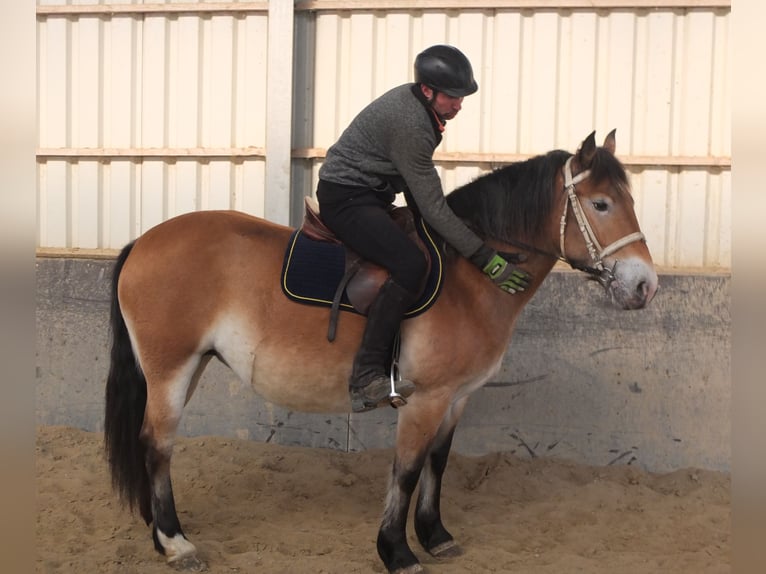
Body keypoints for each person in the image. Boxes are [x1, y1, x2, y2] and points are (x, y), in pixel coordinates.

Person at [316, 44, 531, 412]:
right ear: (428, 90)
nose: (459, 104)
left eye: (463, 97)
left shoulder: (423, 111)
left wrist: (456, 236)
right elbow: (431, 204)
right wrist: (485, 258)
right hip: (347, 198)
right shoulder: (412, 124)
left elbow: (419, 193)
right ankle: (366, 375)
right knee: (411, 264)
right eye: (453, 96)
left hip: (373, 194)